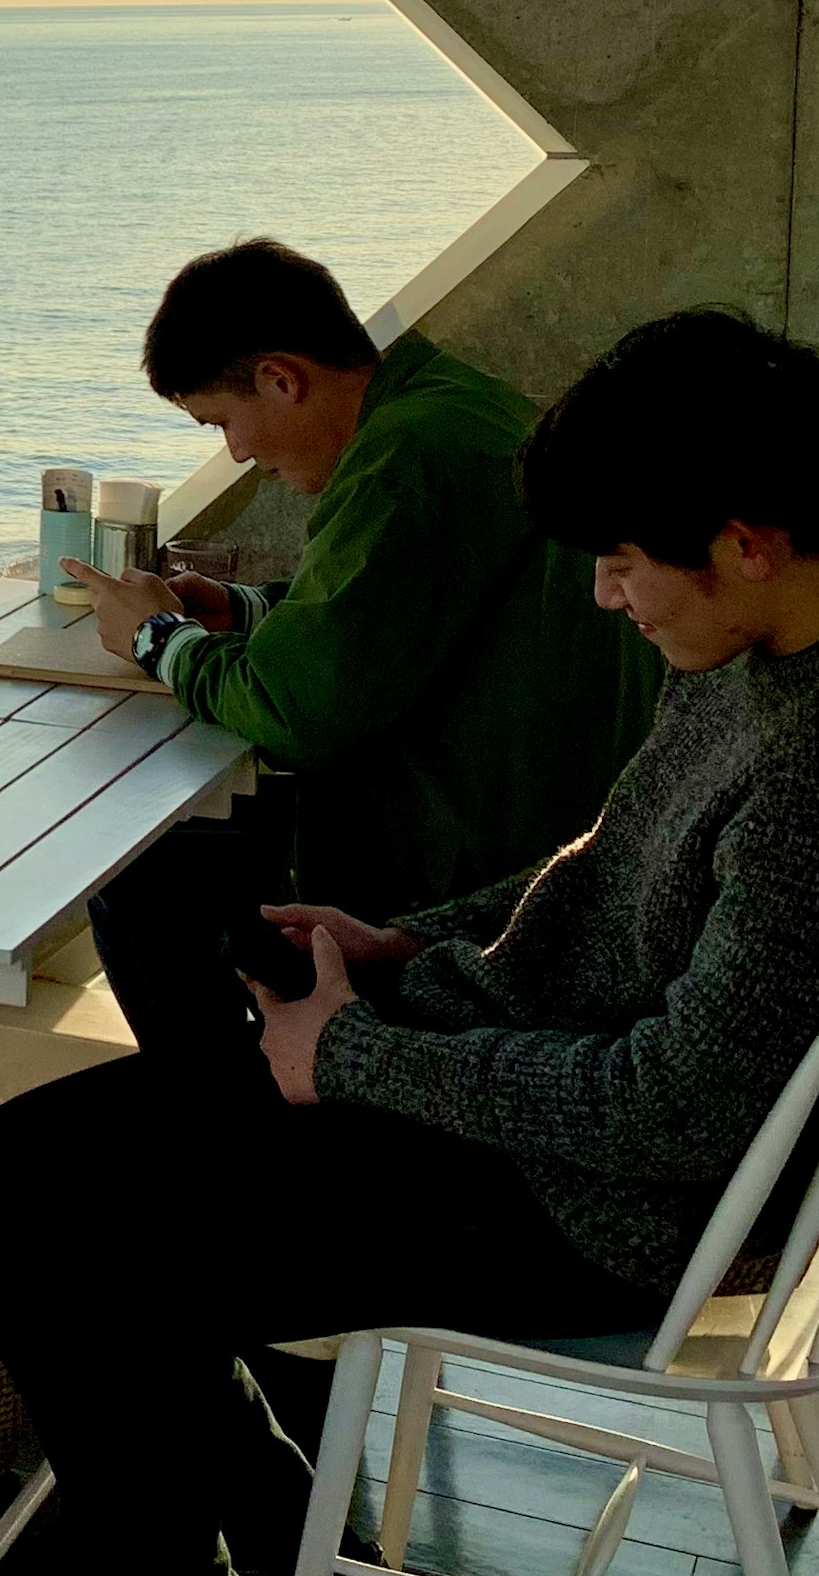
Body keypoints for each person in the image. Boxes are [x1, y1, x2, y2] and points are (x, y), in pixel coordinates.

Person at [0, 310, 819, 1576]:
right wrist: (407, 949)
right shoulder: (813, 639)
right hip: (596, 1137)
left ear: (751, 540)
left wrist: (360, 1059)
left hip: (622, 1209)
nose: (604, 595)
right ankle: (280, 1554)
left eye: (628, 561)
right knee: (45, 1167)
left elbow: (674, 1109)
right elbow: (613, 864)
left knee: (69, 1217)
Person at [66, 242, 663, 1087]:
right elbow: (413, 617)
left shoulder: (403, 464)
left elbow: (299, 713)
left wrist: (156, 642)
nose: (236, 454)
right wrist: (245, 610)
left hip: (469, 852)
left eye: (222, 422)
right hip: (541, 808)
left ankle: (233, 1110)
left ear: (281, 377)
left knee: (144, 873)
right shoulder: (455, 405)